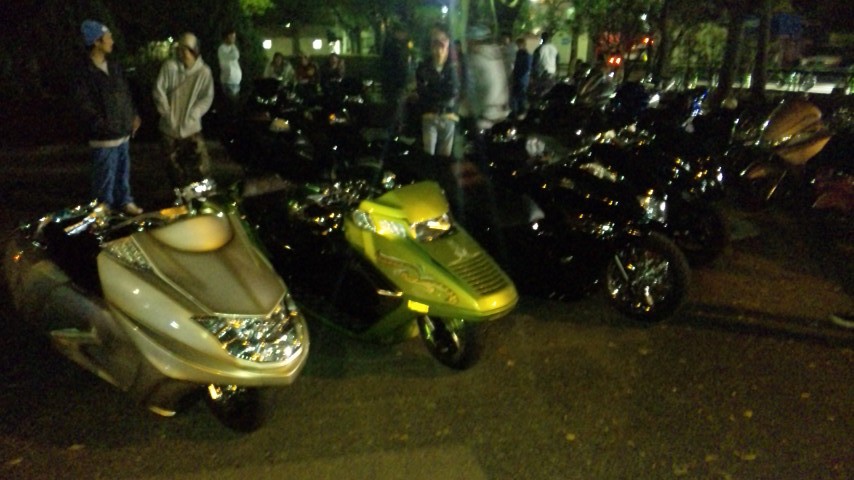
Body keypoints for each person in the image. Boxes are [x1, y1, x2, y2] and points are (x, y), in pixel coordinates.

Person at [74, 20, 143, 215]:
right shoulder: (85, 72)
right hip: (104, 136)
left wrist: (133, 115)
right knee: (104, 176)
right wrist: (101, 125)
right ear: (96, 42)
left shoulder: (113, 66)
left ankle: (125, 201)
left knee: (122, 172)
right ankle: (103, 209)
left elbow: (125, 93)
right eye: (108, 37)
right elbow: (84, 105)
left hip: (122, 131)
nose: (112, 41)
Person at [152, 32, 215, 189]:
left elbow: (206, 97)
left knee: (199, 169)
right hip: (169, 129)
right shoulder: (170, 67)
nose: (181, 53)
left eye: (185, 49)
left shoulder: (204, 72)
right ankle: (177, 196)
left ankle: (197, 197)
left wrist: (194, 114)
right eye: (180, 49)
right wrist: (167, 114)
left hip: (191, 129)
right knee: (173, 171)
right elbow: (159, 91)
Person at [415, 25, 460, 159]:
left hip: (448, 116)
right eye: (435, 40)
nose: (439, 45)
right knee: (428, 157)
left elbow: (453, 91)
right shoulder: (424, 67)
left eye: (442, 40)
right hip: (429, 116)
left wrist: (433, 88)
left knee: (444, 160)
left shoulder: (454, 67)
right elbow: (423, 92)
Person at [464, 25, 510, 131]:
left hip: (484, 116)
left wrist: (466, 109)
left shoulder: (474, 59)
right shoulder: (495, 54)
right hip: (502, 111)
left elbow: (471, 89)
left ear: (473, 42)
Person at [510, 37, 532, 119]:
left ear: (522, 45)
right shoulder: (518, 54)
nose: (517, 46)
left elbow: (527, 68)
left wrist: (519, 77)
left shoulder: (526, 55)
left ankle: (521, 112)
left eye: (518, 45)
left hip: (522, 79)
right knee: (515, 95)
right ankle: (515, 112)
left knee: (521, 96)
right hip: (518, 78)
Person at [531, 31, 559, 96]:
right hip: (552, 73)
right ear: (549, 38)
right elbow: (557, 61)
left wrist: (534, 74)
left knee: (540, 92)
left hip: (542, 73)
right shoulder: (555, 48)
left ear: (542, 38)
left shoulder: (539, 49)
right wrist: (557, 72)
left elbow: (535, 62)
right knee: (550, 91)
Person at [217, 28, 242, 100]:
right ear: (227, 37)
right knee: (230, 103)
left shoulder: (232, 48)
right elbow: (235, 55)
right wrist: (233, 46)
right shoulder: (222, 49)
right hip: (228, 82)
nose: (234, 39)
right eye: (232, 37)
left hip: (235, 82)